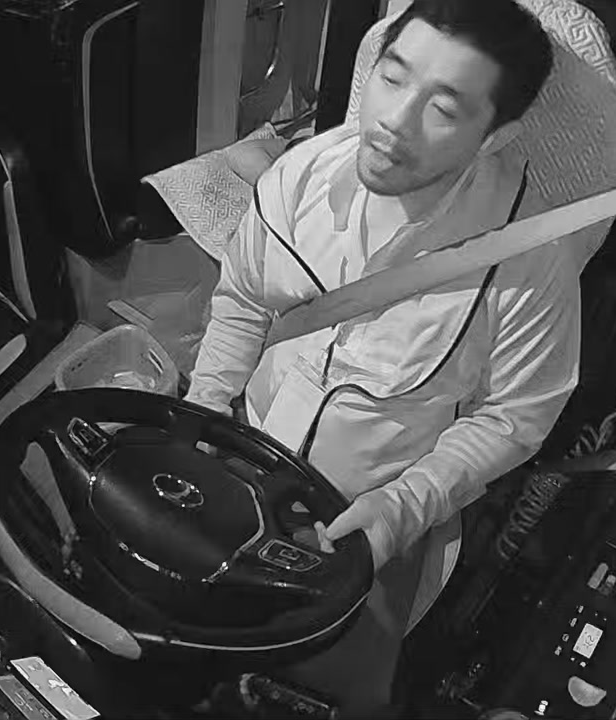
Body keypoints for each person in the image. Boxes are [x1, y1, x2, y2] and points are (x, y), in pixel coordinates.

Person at [184, 0, 576, 714]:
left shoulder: (531, 260)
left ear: (495, 136)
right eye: (393, 78)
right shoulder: (301, 176)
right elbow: (242, 300)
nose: (395, 119)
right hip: (239, 451)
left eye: (444, 109)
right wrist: (202, 414)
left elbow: (516, 418)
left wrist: (397, 513)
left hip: (365, 519)